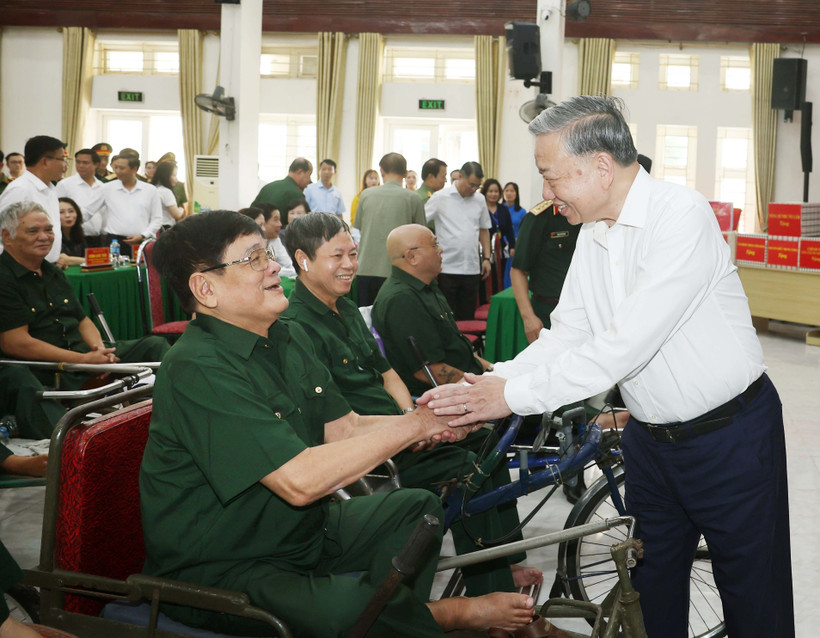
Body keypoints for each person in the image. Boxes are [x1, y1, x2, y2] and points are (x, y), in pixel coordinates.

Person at [418, 95, 794, 638]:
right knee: (652, 590)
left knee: (753, 595)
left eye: (550, 176)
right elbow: (569, 335)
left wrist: (507, 398)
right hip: (651, 445)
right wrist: (494, 381)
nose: (545, 192)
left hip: (728, 440)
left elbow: (622, 347)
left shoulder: (680, 216)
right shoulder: (594, 232)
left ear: (600, 166)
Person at [140, 210, 537, 637]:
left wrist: (436, 417)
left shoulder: (283, 336)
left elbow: (345, 427)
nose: (273, 266)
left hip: (300, 533)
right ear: (205, 288)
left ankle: (399, 618)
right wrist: (416, 425)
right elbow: (299, 482)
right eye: (254, 258)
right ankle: (448, 615)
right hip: (227, 563)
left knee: (414, 509)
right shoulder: (197, 367)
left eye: (267, 254)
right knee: (346, 609)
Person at [281, 213, 544, 598]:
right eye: (337, 256)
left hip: (398, 430)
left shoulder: (346, 308)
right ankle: (490, 591)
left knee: (488, 444)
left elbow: (388, 373)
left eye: (352, 254)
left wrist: (410, 419)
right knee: (470, 468)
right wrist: (409, 430)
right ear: (303, 260)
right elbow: (338, 426)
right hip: (367, 450)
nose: (350, 264)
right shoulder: (296, 326)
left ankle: (501, 561)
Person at [0, 201, 170, 439]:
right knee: (21, 382)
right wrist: (84, 360)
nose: (44, 237)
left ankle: (176, 414)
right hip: (42, 367)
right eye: (33, 231)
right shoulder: (4, 278)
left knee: (154, 345)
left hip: (82, 355)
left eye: (48, 229)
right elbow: (16, 343)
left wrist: (98, 351)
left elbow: (82, 320)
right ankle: (74, 447)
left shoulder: (53, 272)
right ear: (7, 237)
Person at [372, 224, 493, 397]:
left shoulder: (426, 286)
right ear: (412, 257)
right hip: (445, 394)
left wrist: (493, 370)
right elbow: (428, 371)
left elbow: (459, 349)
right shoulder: (402, 300)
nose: (441, 250)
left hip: (468, 379)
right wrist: (484, 387)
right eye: (434, 245)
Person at [354, 153, 426, 306]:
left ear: (381, 171)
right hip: (399, 271)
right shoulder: (413, 198)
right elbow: (422, 238)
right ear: (405, 173)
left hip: (366, 268)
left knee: (366, 316)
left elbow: (358, 228)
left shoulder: (365, 195)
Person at [424, 161, 491, 320]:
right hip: (446, 268)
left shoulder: (480, 199)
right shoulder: (440, 197)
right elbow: (420, 222)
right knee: (446, 318)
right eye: (471, 185)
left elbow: (484, 230)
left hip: (472, 268)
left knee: (467, 318)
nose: (474, 189)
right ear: (460, 176)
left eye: (477, 186)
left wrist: (487, 258)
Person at [510, 201, 579, 341]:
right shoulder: (538, 217)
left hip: (587, 312)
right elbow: (518, 271)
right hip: (549, 312)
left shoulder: (593, 215)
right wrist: (528, 317)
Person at [0, 136, 66, 266]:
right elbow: (3, 233)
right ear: (45, 161)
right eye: (62, 159)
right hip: (22, 269)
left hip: (45, 266)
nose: (65, 166)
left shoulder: (51, 189)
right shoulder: (20, 190)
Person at [101, 154, 162, 258]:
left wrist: (143, 235)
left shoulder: (150, 190)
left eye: (122, 168)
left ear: (134, 169)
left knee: (140, 267)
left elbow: (157, 219)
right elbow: (90, 210)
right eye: (116, 167)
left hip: (141, 241)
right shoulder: (107, 188)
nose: (117, 171)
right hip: (114, 241)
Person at [55, 149, 106, 247]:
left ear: (96, 164)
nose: (80, 166)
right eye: (78, 162)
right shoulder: (65, 185)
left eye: (85, 163)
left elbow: (104, 214)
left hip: (97, 239)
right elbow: (57, 210)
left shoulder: (102, 187)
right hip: (73, 238)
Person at [253, 157, 313, 226]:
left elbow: (251, 211)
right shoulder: (296, 194)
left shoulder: (268, 187)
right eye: (309, 175)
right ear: (300, 172)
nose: (309, 180)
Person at [480, 178, 516, 294]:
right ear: (485, 192)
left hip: (500, 248)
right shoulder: (480, 208)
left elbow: (509, 230)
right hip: (483, 248)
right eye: (490, 191)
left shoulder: (503, 209)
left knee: (499, 274)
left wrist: (512, 246)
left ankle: (497, 295)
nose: (493, 194)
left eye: (496, 191)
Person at [258, 204, 295, 278]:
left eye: (279, 220)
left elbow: (289, 265)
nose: (280, 224)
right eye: (276, 220)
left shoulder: (274, 239)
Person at [150, 161, 184, 229]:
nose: (176, 179)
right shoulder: (165, 191)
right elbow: (177, 215)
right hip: (165, 228)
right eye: (174, 175)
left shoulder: (153, 188)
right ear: (166, 176)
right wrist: (181, 209)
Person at [58, 197, 87, 265]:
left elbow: (86, 254)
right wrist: (92, 260)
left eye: (71, 211)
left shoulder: (78, 234)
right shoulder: (52, 236)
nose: (67, 215)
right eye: (61, 212)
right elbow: (64, 259)